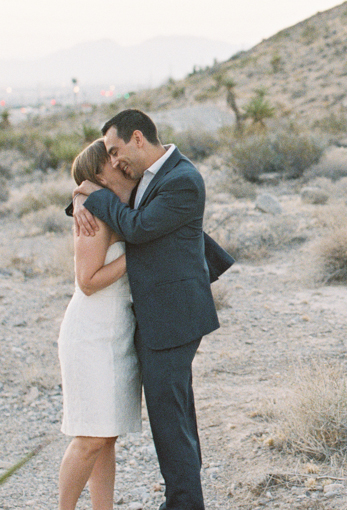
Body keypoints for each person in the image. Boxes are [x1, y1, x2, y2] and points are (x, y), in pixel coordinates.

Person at [71, 109, 228, 510]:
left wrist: (93, 194)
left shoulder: (182, 180)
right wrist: (80, 194)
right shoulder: (149, 177)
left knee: (170, 422)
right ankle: (186, 501)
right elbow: (109, 190)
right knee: (175, 419)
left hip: (174, 317)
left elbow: (137, 229)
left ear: (138, 138)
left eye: (116, 149)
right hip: (157, 316)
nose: (116, 159)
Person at [57, 139, 142, 510]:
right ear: (97, 173)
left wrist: (80, 192)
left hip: (116, 333)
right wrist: (138, 256)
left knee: (106, 436)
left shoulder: (113, 205)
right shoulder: (91, 215)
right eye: (110, 159)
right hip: (90, 334)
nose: (119, 160)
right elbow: (87, 281)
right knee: (89, 436)